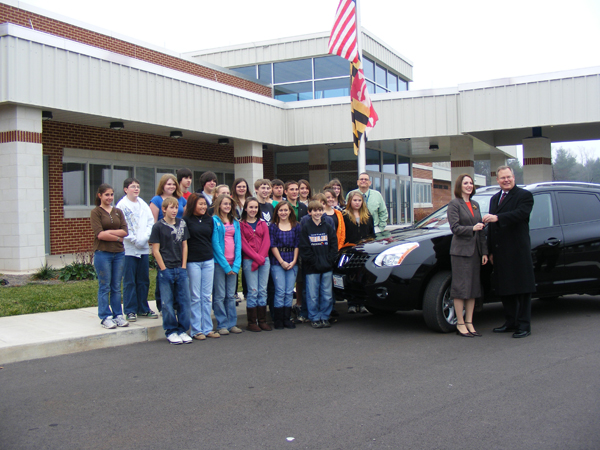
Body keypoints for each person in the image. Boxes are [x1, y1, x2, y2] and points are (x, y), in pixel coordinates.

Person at [483, 166, 536, 338]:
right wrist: (490, 250)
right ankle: (511, 322)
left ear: (514, 177)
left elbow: (520, 214)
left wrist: (498, 218)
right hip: (500, 252)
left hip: (518, 251)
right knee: (505, 288)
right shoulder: (494, 199)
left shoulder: (524, 196)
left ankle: (524, 325)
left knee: (522, 289)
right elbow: (491, 228)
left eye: (509, 177)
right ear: (497, 180)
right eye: (502, 178)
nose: (506, 180)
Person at [447, 174, 488, 338]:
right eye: (466, 183)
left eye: (471, 183)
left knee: (472, 287)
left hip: (475, 252)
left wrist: (484, 252)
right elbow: (455, 228)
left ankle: (470, 321)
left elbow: (482, 230)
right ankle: (460, 323)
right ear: (459, 186)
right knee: (460, 288)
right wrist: (472, 228)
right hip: (460, 252)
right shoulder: (454, 204)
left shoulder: (476, 205)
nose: (469, 185)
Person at [149, 197, 192, 345]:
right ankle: (171, 331)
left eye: (176, 207)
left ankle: (182, 330)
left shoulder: (182, 223)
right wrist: (163, 268)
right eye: (171, 207)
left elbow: (185, 245)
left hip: (180, 269)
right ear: (164, 209)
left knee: (184, 301)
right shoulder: (158, 227)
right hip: (166, 269)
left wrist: (184, 266)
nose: (174, 210)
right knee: (167, 303)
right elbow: (155, 250)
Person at [116, 178, 158, 322]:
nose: (136, 189)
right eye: (133, 186)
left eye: (138, 187)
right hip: (128, 249)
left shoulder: (143, 205)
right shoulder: (121, 205)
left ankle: (143, 308)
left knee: (143, 280)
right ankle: (130, 310)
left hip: (143, 248)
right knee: (129, 281)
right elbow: (122, 225)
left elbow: (150, 222)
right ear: (125, 189)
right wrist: (134, 239)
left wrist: (144, 238)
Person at [90, 184, 129, 329]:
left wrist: (110, 234)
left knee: (116, 286)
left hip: (118, 253)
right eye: (106, 195)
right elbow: (100, 234)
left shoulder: (118, 211)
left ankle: (118, 315)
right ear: (100, 195)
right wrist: (117, 237)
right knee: (104, 286)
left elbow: (125, 231)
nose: (110, 197)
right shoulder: (96, 212)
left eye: (111, 194)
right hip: (103, 253)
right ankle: (105, 316)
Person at [183, 194, 220, 340]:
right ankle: (196, 330)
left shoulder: (209, 220)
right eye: (200, 204)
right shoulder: (185, 220)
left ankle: (208, 328)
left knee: (206, 296)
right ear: (193, 205)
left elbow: (213, 239)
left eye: (205, 204)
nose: (204, 207)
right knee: (195, 297)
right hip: (193, 262)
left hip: (208, 260)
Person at [149, 174, 186, 312]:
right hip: (163, 240)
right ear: (162, 185)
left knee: (178, 276)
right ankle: (162, 305)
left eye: (173, 184)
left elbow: (185, 217)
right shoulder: (156, 200)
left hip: (179, 237)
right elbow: (152, 221)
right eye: (168, 184)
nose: (171, 187)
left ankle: (177, 306)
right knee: (164, 274)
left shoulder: (181, 199)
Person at [300, 200, 338, 329]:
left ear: (323, 211)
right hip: (312, 268)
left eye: (320, 210)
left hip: (327, 267)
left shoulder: (327, 226)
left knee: (327, 294)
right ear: (309, 212)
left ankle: (324, 316)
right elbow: (305, 248)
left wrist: (329, 261)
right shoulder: (305, 227)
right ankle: (315, 317)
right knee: (312, 295)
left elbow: (334, 245)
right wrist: (315, 263)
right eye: (314, 210)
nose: (317, 213)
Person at [212, 194, 243, 335]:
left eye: (229, 204)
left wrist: (236, 265)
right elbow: (216, 245)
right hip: (220, 264)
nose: (227, 206)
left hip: (233, 264)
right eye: (224, 204)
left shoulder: (235, 221)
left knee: (231, 295)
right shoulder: (214, 220)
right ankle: (222, 324)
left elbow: (238, 244)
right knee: (219, 295)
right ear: (219, 205)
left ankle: (232, 323)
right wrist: (225, 266)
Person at [240, 197, 272, 332]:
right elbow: (243, 244)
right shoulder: (241, 224)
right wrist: (256, 259)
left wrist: (260, 259)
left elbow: (267, 242)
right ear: (245, 208)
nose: (253, 210)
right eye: (250, 207)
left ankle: (263, 320)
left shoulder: (262, 224)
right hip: (249, 261)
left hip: (264, 260)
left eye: (255, 207)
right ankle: (252, 322)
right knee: (253, 291)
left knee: (263, 290)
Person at [269, 201, 301, 330]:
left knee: (289, 291)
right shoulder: (273, 226)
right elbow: (273, 245)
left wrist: (294, 261)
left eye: (286, 210)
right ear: (277, 212)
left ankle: (287, 318)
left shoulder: (296, 226)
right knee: (280, 291)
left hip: (292, 260)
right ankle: (278, 319)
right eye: (281, 210)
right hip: (278, 261)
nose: (283, 213)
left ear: (290, 211)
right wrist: (281, 261)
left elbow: (297, 244)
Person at [343, 191, 375, 314]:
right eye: (355, 200)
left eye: (359, 200)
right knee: (350, 278)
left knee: (362, 277)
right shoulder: (344, 215)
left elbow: (372, 233)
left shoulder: (367, 216)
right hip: (350, 250)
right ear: (350, 201)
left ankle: (362, 303)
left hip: (365, 250)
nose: (357, 203)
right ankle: (351, 303)